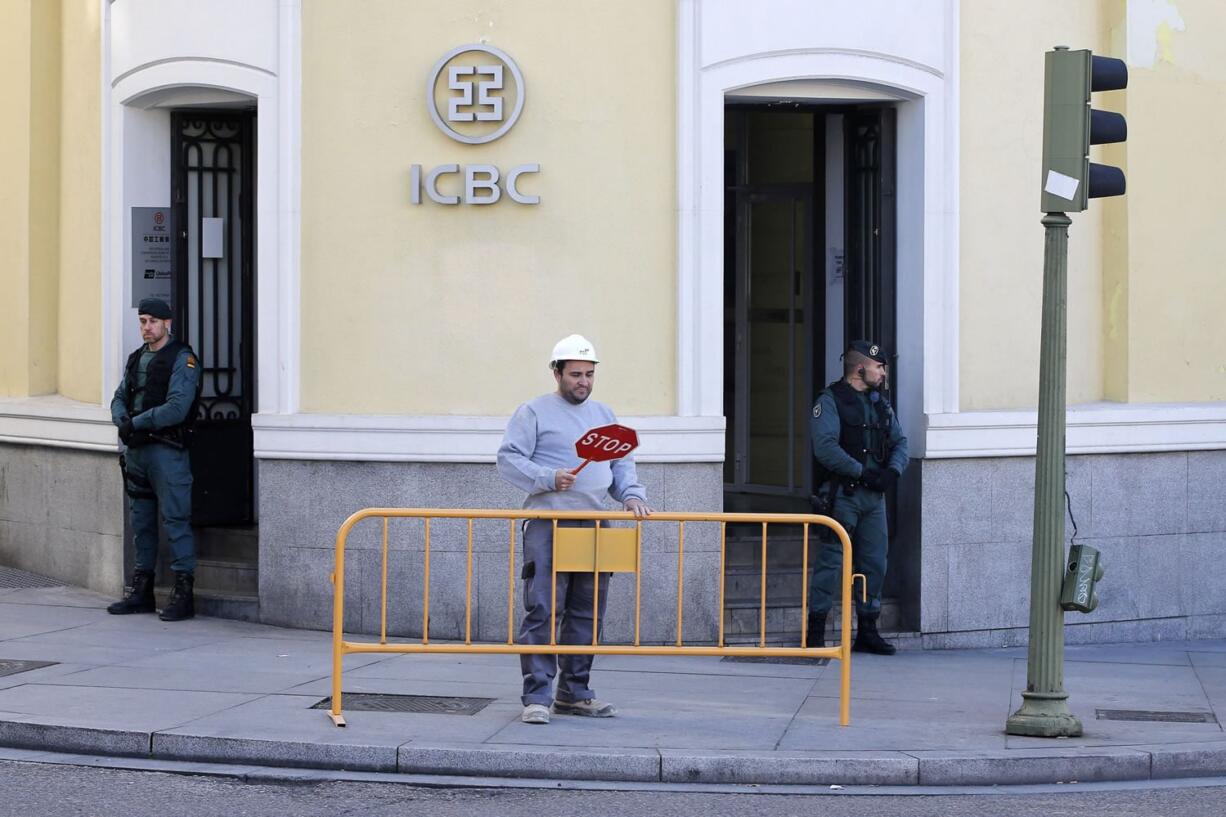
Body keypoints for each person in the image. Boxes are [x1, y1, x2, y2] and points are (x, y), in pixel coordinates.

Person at [496, 334, 652, 725]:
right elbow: (508, 458)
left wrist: (631, 496)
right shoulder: (532, 411)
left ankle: (574, 692)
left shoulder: (604, 414)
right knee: (545, 608)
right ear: (557, 373)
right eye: (576, 374)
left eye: (589, 374)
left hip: (596, 523)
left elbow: (621, 466)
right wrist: (548, 477)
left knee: (587, 612)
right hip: (548, 525)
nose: (583, 381)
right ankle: (537, 696)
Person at [806, 340, 908, 655]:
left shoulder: (880, 403)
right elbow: (824, 446)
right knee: (831, 563)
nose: (883, 373)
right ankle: (815, 634)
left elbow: (900, 441)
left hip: (873, 499)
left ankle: (867, 631)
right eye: (879, 367)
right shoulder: (830, 400)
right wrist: (860, 471)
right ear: (860, 367)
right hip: (843, 496)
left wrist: (893, 471)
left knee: (874, 562)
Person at [106, 298, 201, 622]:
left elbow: (177, 407)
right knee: (141, 523)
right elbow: (120, 396)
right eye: (143, 321)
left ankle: (183, 592)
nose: (146, 327)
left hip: (166, 451)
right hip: (137, 452)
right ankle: (142, 591)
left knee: (176, 520)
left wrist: (137, 422)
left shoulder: (183, 359)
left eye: (152, 322)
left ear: (167, 323)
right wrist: (122, 420)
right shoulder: (136, 358)